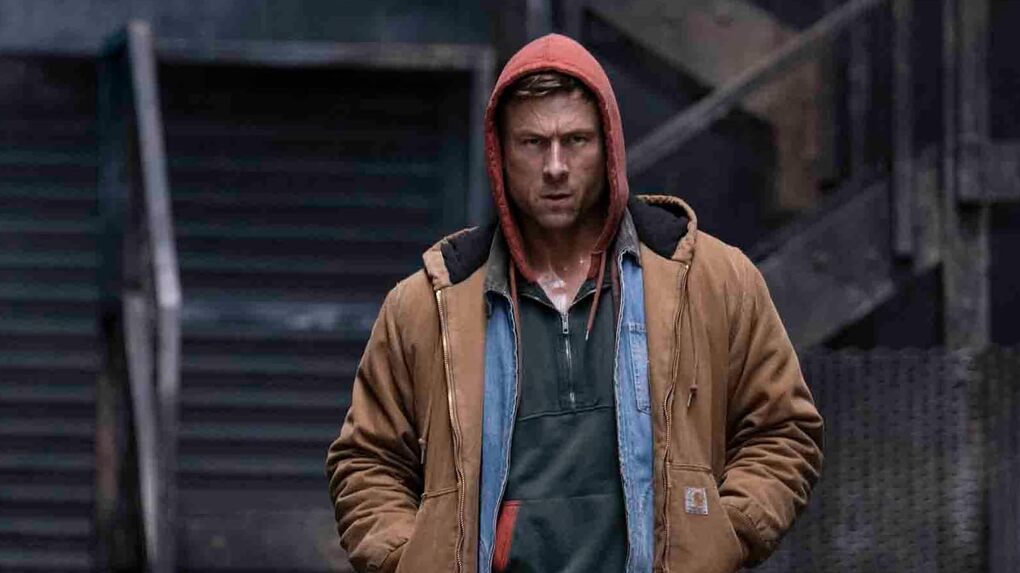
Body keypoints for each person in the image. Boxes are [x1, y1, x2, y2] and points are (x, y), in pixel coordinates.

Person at [326, 34, 823, 573]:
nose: (556, 166)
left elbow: (783, 430)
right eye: (533, 143)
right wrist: (414, 558)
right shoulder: (427, 305)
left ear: (609, 146)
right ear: (499, 154)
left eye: (576, 140)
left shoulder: (713, 280)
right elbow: (366, 463)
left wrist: (721, 536)